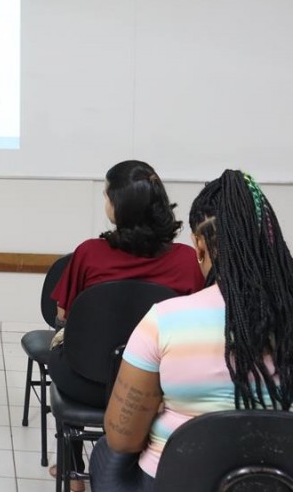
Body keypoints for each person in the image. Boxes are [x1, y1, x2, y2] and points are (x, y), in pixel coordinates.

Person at [90, 170, 293, 491]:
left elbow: (122, 437)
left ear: (199, 246)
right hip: (278, 481)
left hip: (172, 481)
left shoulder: (166, 321)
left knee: (105, 452)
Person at [45, 160, 204, 488]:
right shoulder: (187, 260)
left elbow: (63, 315)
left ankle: (73, 471)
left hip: (89, 382)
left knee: (59, 358)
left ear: (117, 205)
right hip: (160, 388)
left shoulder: (89, 253)